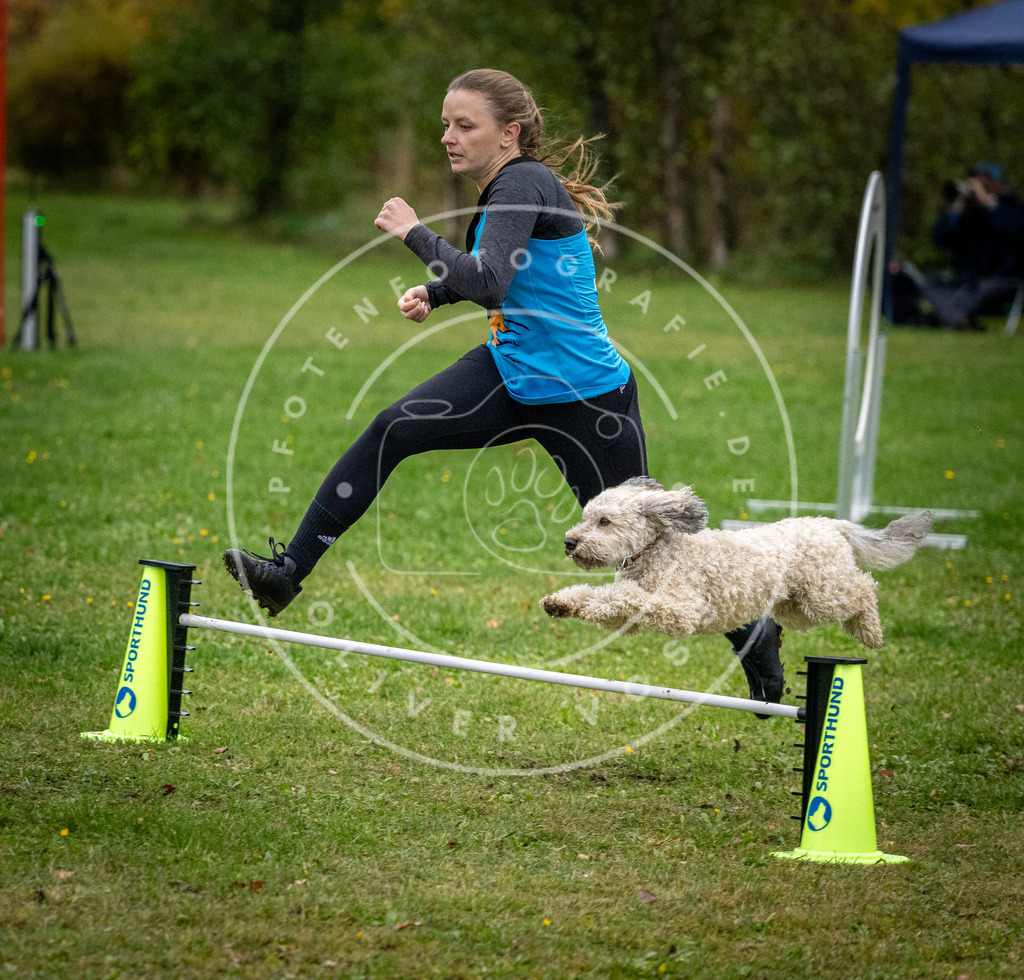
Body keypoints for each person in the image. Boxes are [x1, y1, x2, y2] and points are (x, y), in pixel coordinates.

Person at [223, 68, 784, 709]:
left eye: (466, 125)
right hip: (508, 372)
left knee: (652, 552)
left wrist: (413, 232)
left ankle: (754, 631)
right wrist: (436, 292)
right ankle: (287, 573)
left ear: (508, 133)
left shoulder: (522, 181)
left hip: (584, 395)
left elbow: (489, 282)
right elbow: (500, 278)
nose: (448, 137)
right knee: (392, 429)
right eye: (445, 124)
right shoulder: (506, 187)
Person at [891, 162, 1024, 328]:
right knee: (920, 281)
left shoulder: (1012, 208)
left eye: (984, 182)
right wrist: (956, 211)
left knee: (973, 291)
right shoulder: (968, 211)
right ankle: (947, 320)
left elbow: (1016, 230)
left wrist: (990, 203)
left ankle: (955, 320)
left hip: (1000, 279)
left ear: (997, 183)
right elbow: (939, 237)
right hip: (964, 278)